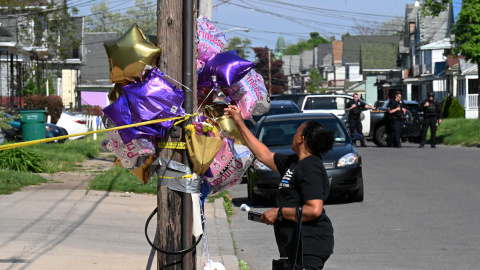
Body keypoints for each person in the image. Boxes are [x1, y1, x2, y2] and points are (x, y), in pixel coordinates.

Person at [224, 105, 335, 270]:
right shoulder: (294, 162)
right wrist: (239, 122)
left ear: (302, 139)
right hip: (295, 246)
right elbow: (263, 154)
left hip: (309, 245)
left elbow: (314, 209)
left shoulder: (311, 167)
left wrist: (279, 212)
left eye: (297, 132)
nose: (293, 135)